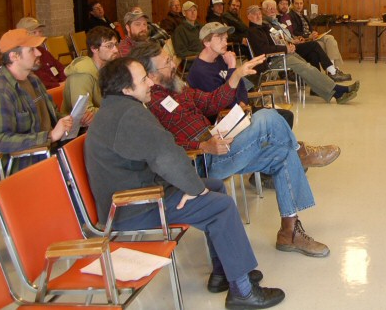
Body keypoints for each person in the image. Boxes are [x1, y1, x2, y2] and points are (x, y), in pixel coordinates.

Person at [85, 56, 285, 308]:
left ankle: (224, 271)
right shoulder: (129, 116)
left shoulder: (118, 109)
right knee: (219, 206)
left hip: (135, 194)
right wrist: (193, 188)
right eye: (143, 79)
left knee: (214, 185)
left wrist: (194, 187)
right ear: (126, 89)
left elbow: (162, 150)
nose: (150, 82)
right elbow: (165, 155)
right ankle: (242, 291)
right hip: (134, 206)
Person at [128, 41, 336, 258]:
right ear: (150, 75)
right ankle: (300, 152)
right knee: (268, 117)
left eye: (170, 58)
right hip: (203, 161)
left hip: (217, 142)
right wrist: (201, 145)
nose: (173, 64)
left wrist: (235, 75)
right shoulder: (148, 104)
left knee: (282, 155)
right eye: (167, 62)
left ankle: (289, 232)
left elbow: (209, 103)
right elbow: (162, 149)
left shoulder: (177, 88)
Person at [0, 29, 75, 169]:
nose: (39, 53)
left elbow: (53, 115)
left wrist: (72, 120)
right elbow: (2, 141)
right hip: (22, 164)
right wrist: (50, 136)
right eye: (32, 50)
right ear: (14, 56)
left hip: (49, 151)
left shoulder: (33, 80)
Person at [246, 5, 359, 104]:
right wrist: (285, 49)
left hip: (280, 55)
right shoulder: (253, 32)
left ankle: (335, 93)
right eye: (254, 14)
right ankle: (338, 90)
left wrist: (287, 46)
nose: (258, 16)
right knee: (306, 68)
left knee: (308, 69)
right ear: (248, 17)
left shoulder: (264, 28)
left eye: (259, 13)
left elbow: (276, 40)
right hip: (272, 61)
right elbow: (263, 50)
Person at [262, 0, 350, 82]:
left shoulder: (276, 21)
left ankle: (317, 85)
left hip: (294, 43)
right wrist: (293, 41)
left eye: (274, 8)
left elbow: (289, 34)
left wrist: (295, 38)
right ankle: (332, 72)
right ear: (264, 10)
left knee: (314, 54)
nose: (273, 10)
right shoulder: (266, 24)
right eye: (270, 9)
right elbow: (278, 41)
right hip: (287, 49)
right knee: (314, 45)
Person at [62, 26, 119, 118]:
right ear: (94, 49)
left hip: (106, 119)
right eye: (109, 46)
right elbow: (83, 113)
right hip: (79, 128)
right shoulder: (82, 73)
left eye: (116, 44)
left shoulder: (111, 67)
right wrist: (117, 110)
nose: (116, 50)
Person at [16, 17, 67, 89]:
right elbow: (38, 86)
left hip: (61, 88)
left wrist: (67, 81)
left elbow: (61, 69)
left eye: (40, 31)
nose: (39, 35)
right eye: (34, 32)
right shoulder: (23, 59)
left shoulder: (42, 51)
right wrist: (60, 86)